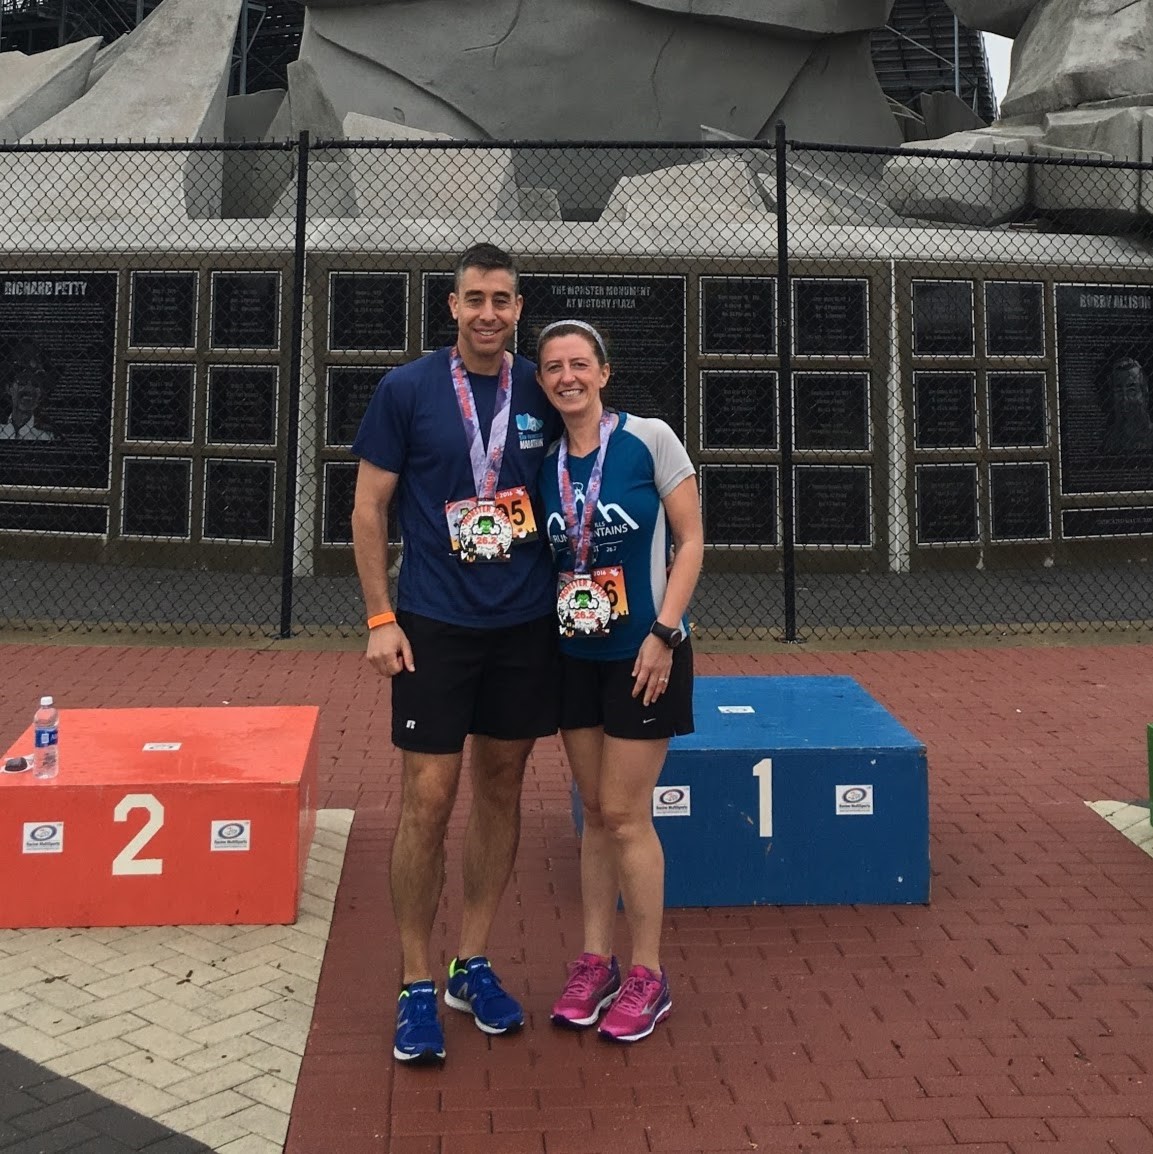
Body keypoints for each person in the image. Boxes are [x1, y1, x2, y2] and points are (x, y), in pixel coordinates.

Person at [350, 242, 561, 1066]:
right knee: (428, 800)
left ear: (518, 308)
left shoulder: (542, 390)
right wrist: (379, 616)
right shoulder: (405, 389)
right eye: (474, 299)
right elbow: (369, 507)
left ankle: (469, 963)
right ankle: (413, 979)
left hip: (523, 625)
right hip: (433, 622)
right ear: (452, 306)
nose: (487, 314)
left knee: (501, 788)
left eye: (501, 300)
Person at [535, 319, 703, 1044]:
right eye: (553, 368)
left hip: (645, 655)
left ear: (604, 372)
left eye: (579, 364)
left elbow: (691, 540)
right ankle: (594, 961)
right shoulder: (544, 463)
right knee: (596, 814)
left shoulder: (650, 438)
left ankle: (648, 973)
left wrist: (665, 633)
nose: (567, 377)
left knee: (628, 814)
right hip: (576, 657)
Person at [1098, 356, 1153, 457]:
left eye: (1131, 390)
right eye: (1119, 391)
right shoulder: (1110, 439)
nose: (1125, 399)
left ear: (1145, 394)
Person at [0, 342, 55, 442]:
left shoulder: (47, 437)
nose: (29, 389)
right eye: (22, 381)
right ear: (9, 388)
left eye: (36, 383)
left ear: (40, 393)